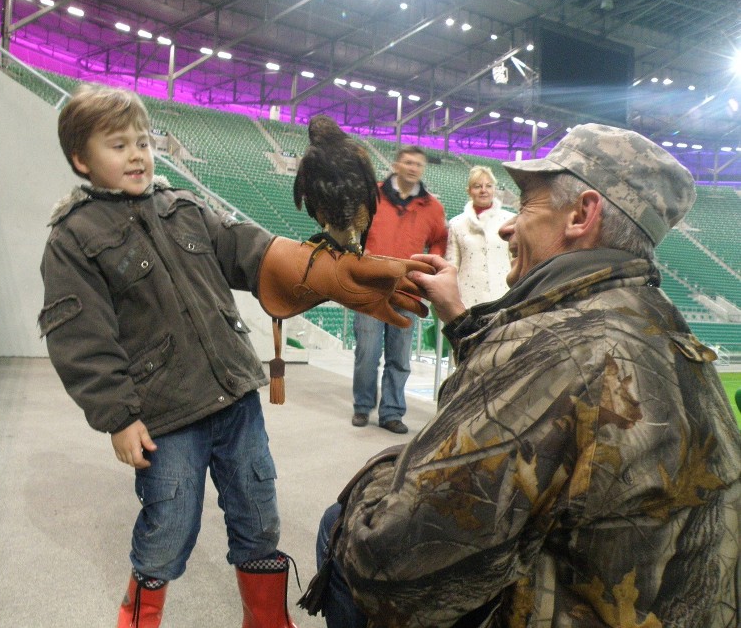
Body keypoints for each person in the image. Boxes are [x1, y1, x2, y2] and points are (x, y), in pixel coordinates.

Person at [303, 123, 741, 628]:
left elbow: (388, 558)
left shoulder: (560, 349)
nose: (508, 228)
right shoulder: (659, 323)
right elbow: (550, 403)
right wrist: (462, 321)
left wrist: (392, 473)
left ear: (582, 214)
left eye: (527, 207)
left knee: (341, 529)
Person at [38, 83, 432, 628]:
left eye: (144, 141)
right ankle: (139, 618)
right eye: (118, 145)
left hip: (235, 397)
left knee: (259, 512)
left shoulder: (185, 208)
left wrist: (330, 274)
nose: (137, 154)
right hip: (165, 413)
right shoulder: (73, 238)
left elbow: (253, 251)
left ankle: (266, 620)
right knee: (169, 526)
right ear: (81, 159)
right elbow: (81, 340)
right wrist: (118, 418)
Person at [352, 145, 448, 434]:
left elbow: (439, 242)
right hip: (370, 287)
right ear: (395, 165)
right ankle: (362, 406)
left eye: (418, 164)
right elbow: (355, 230)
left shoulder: (433, 207)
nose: (413, 167)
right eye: (407, 162)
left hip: (407, 291)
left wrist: (426, 270)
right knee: (367, 352)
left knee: (400, 357)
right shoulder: (372, 196)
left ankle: (392, 412)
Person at [445, 165, 514, 308]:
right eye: (477, 186)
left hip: (503, 295)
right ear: (469, 191)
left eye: (488, 186)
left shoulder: (510, 221)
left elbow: (515, 261)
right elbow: (452, 265)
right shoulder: (456, 224)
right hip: (467, 298)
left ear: (494, 190)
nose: (484, 190)